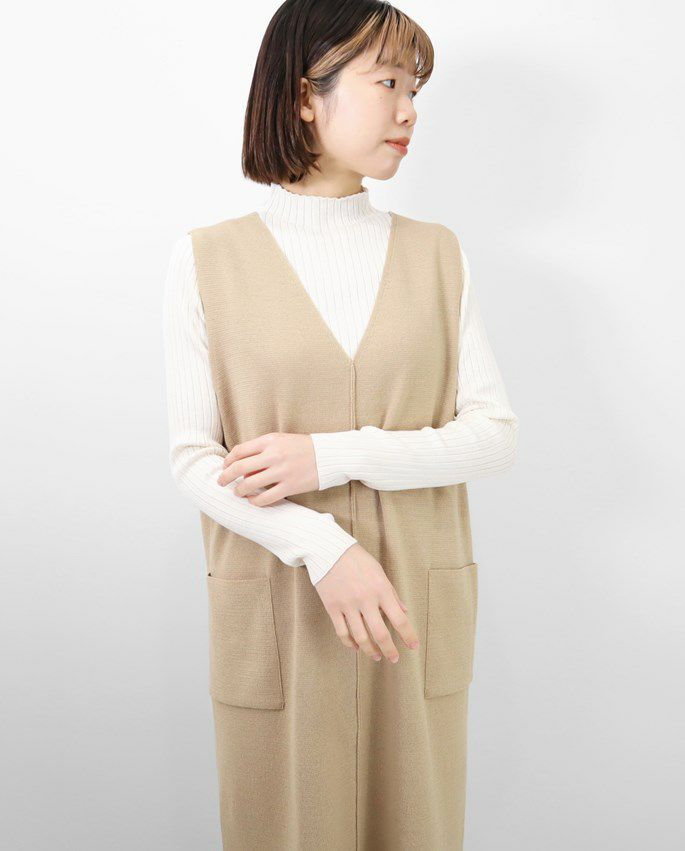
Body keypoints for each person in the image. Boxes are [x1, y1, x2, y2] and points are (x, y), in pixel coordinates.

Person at [162, 1, 519, 848]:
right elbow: (193, 458)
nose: (409, 110)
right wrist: (324, 547)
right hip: (282, 612)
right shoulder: (206, 259)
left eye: (415, 89)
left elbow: (494, 434)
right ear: (302, 97)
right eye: (387, 83)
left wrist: (332, 456)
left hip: (408, 614)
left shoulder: (438, 254)